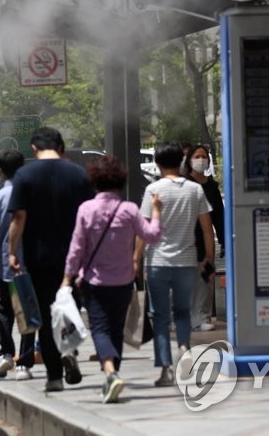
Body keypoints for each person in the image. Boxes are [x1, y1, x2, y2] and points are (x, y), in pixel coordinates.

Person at [60, 155, 162, 403]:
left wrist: (67, 278)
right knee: (115, 330)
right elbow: (151, 235)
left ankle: (111, 373)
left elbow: (76, 248)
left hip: (94, 282)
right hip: (124, 282)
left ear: (95, 181)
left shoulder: (86, 209)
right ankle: (112, 375)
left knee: (100, 329)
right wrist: (157, 211)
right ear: (121, 181)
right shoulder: (129, 210)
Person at [7, 127, 95, 392]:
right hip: (73, 257)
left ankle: (54, 376)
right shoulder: (79, 174)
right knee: (69, 308)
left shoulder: (24, 175)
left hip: (38, 257)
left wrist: (12, 252)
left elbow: (18, 218)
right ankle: (69, 351)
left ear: (33, 147)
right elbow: (88, 217)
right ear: (62, 147)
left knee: (45, 316)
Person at [136, 142, 214, 387]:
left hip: (158, 262)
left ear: (158, 164)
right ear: (181, 162)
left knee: (160, 316)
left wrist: (136, 259)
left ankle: (166, 369)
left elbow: (144, 228)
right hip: (187, 261)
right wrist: (208, 259)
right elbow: (206, 228)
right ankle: (185, 348)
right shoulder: (195, 190)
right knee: (183, 312)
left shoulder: (153, 190)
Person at [0, 149, 35, 380]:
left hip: (5, 264)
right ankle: (24, 363)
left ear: (1, 171)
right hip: (31, 263)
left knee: (6, 310)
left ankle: (5, 354)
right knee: (28, 312)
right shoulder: (33, 196)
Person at [184, 143, 223, 332]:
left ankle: (203, 315)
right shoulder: (184, 183)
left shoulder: (212, 186)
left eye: (204, 156)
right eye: (197, 156)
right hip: (187, 237)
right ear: (189, 160)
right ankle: (189, 315)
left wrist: (223, 240)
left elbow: (219, 217)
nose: (201, 160)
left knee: (206, 275)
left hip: (206, 237)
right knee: (189, 277)